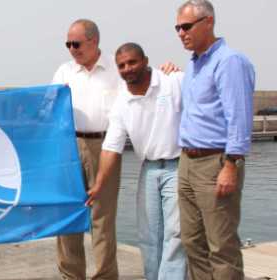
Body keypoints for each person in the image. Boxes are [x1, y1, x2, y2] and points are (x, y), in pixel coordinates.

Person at [86, 43, 187, 280]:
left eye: (132, 62)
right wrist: (99, 185)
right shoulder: (121, 101)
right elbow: (111, 147)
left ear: (145, 60)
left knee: (176, 235)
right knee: (149, 235)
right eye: (121, 65)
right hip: (149, 169)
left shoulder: (173, 81)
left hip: (179, 165)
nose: (127, 68)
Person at [174, 1, 255, 279]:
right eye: (177, 28)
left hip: (216, 162)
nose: (181, 33)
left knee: (221, 246)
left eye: (186, 26)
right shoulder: (194, 66)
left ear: (208, 22)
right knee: (192, 242)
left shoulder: (229, 61)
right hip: (187, 162)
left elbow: (240, 117)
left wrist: (231, 164)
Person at [51, 19, 122, 279]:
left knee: (102, 218)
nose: (71, 49)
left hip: (105, 147)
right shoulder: (64, 71)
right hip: (69, 147)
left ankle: (105, 275)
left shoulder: (117, 68)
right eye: (68, 44)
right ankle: (71, 275)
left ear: (94, 41)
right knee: (68, 213)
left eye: (76, 43)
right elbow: (47, 106)